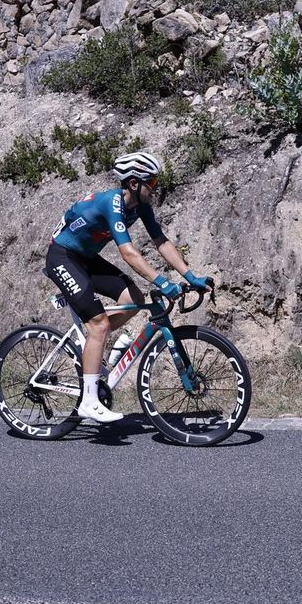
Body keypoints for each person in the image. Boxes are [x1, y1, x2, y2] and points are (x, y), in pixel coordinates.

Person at [46, 151, 213, 423]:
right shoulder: (113, 203)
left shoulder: (140, 206)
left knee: (133, 297)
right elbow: (128, 253)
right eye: (153, 182)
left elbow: (161, 241)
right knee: (98, 324)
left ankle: (97, 350)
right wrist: (162, 281)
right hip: (62, 257)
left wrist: (190, 275)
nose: (156, 188)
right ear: (134, 183)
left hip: (86, 258)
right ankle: (89, 401)